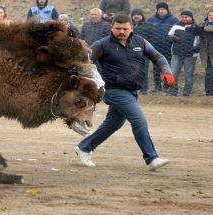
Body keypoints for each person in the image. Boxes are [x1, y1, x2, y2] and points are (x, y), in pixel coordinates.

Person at [74, 14, 174, 171]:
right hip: (113, 91)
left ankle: (85, 147)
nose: (121, 31)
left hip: (133, 90)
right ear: (111, 28)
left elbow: (158, 56)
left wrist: (166, 71)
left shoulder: (140, 42)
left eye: (125, 28)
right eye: (118, 28)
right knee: (139, 121)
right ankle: (151, 158)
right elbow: (83, 61)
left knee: (113, 124)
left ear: (131, 28)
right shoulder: (102, 44)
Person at [146, 2, 179, 92]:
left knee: (167, 67)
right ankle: (157, 86)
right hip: (155, 48)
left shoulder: (174, 20)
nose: (161, 11)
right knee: (156, 67)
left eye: (163, 9)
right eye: (159, 9)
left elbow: (177, 34)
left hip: (168, 47)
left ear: (167, 10)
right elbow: (147, 33)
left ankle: (167, 85)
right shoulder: (151, 20)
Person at [167, 9, 199, 96]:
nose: (184, 18)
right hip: (176, 54)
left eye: (186, 17)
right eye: (182, 17)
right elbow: (169, 36)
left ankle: (186, 93)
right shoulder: (176, 26)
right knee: (173, 74)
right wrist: (173, 38)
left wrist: (194, 49)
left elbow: (199, 42)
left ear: (191, 18)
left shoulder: (196, 28)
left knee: (188, 75)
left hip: (191, 55)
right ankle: (173, 92)